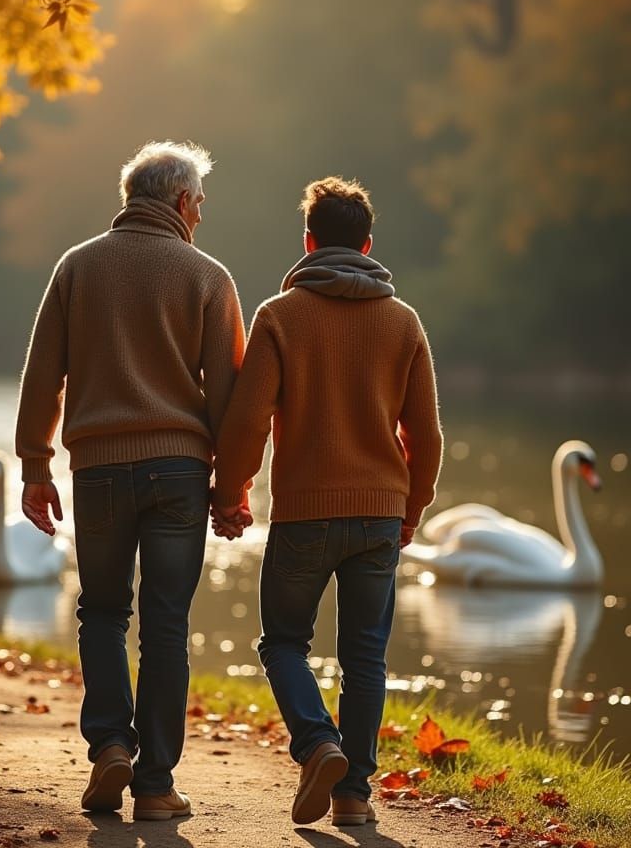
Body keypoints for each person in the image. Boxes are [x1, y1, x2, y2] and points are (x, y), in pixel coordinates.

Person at [15, 141, 245, 820]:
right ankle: (155, 787)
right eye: (199, 203)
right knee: (166, 625)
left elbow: (42, 376)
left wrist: (35, 464)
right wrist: (230, 490)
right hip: (179, 469)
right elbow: (229, 400)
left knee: (103, 611)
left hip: (99, 471)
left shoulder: (77, 268)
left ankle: (112, 744)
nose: (200, 216)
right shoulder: (208, 277)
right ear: (181, 202)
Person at [211, 177, 442, 827]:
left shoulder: (280, 316)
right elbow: (425, 434)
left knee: (283, 641)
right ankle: (354, 798)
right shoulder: (403, 322)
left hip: (305, 513)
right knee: (365, 654)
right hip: (378, 514)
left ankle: (318, 744)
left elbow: (248, 421)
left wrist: (231, 494)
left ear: (308, 241)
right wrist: (412, 508)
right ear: (368, 244)